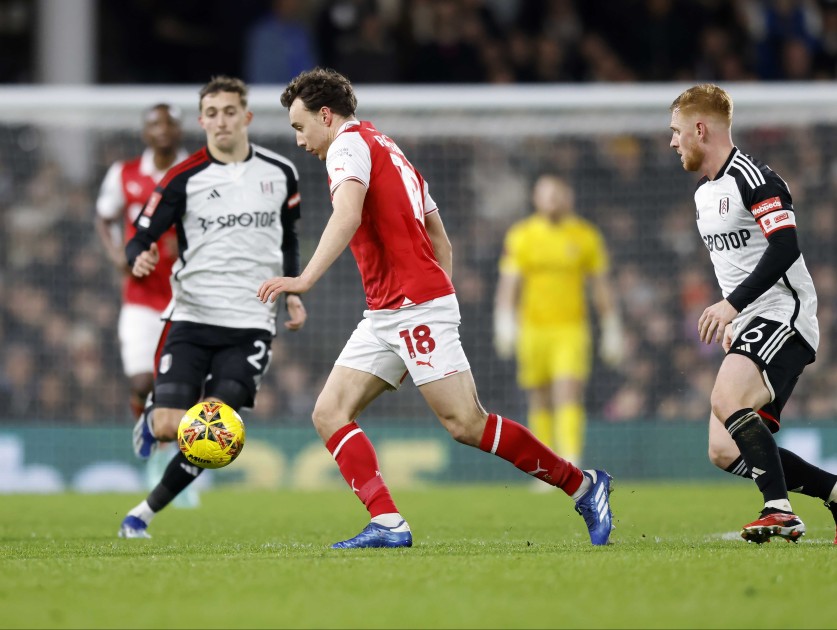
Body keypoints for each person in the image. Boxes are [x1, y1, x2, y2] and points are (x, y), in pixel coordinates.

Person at [258, 67, 614, 549]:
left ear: (326, 115)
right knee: (329, 412)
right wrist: (436, 293)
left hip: (412, 306)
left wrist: (305, 279)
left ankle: (584, 486)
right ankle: (388, 522)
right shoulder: (389, 148)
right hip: (391, 310)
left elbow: (347, 214)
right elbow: (439, 237)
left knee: (465, 423)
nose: (299, 141)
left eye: (300, 127)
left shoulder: (346, 147)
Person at [118, 76, 307, 538]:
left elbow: (288, 238)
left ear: (246, 116)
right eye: (212, 113)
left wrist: (294, 291)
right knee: (169, 427)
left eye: (229, 111)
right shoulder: (182, 179)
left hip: (251, 324)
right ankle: (153, 416)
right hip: (192, 317)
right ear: (201, 121)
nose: (221, 121)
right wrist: (138, 255)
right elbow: (140, 235)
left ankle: (141, 515)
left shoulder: (281, 173)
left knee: (214, 432)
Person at [669, 83, 837, 544]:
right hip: (752, 319)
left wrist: (732, 306)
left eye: (676, 131)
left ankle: (778, 510)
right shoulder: (704, 195)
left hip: (786, 312)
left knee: (726, 401)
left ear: (700, 129)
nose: (672, 142)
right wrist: (737, 321)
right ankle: (835, 492)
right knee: (723, 449)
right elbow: (734, 263)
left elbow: (785, 246)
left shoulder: (756, 178)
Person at [494, 174, 623, 471]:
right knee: (539, 397)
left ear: (569, 198)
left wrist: (611, 325)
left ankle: (571, 460)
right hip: (533, 329)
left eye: (557, 194)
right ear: (535, 199)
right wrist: (504, 321)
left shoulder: (585, 235)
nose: (552, 200)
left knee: (568, 390)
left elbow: (600, 285)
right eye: (545, 194)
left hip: (571, 329)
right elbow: (509, 284)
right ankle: (544, 465)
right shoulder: (521, 235)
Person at [94, 103, 187, 420]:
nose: (162, 130)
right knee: (142, 381)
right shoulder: (125, 173)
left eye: (169, 124)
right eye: (155, 124)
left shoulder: (197, 172)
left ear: (180, 130)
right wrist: (117, 254)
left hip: (188, 296)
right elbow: (104, 219)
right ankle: (148, 440)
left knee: (182, 386)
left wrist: (187, 241)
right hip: (141, 294)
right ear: (145, 132)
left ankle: (181, 452)